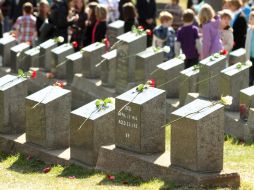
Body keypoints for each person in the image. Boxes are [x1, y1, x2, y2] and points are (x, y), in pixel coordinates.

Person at [245, 11, 254, 85]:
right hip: (250, 57)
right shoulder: (249, 30)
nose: (250, 20)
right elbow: (247, 44)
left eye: (251, 18)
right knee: (250, 75)